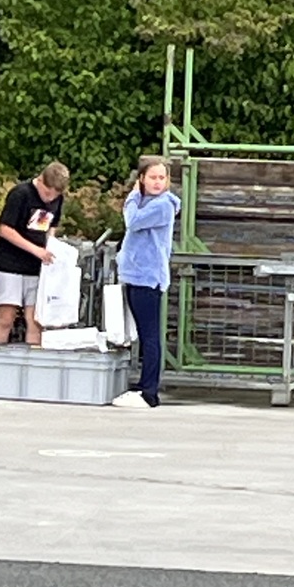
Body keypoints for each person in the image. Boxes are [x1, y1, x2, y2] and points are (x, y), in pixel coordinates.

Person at [112, 155, 180, 409]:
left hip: (148, 278)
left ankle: (149, 391)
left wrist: (131, 196)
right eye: (152, 177)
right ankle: (142, 385)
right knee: (142, 334)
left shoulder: (162, 205)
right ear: (142, 178)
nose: (157, 182)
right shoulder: (145, 202)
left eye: (162, 177)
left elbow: (133, 222)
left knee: (150, 335)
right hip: (135, 274)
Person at [0, 161, 70, 346]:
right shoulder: (21, 194)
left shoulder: (57, 200)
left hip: (36, 268)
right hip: (11, 265)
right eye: (47, 193)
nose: (50, 199)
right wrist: (35, 249)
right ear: (40, 181)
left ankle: (33, 359)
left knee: (35, 319)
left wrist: (51, 245)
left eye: (55, 196)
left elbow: (52, 226)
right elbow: (4, 229)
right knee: (6, 317)